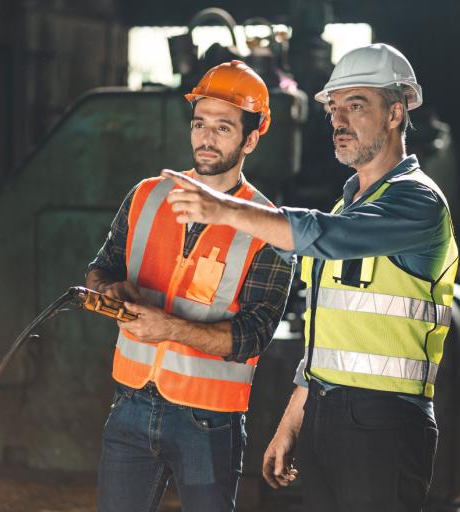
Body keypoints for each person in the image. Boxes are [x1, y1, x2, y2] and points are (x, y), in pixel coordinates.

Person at [161, 43, 459, 512]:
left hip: (386, 421)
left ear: (396, 113)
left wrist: (225, 209)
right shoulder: (346, 206)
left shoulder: (418, 202)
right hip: (326, 414)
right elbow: (329, 336)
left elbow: (328, 236)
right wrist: (293, 422)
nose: (339, 121)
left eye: (356, 106)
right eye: (334, 109)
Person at [85, 60, 294, 512]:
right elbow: (100, 267)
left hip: (208, 422)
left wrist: (169, 328)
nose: (206, 137)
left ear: (251, 139)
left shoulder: (270, 228)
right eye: (200, 123)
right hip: (130, 405)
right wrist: (109, 291)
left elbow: (252, 336)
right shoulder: (146, 195)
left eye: (223, 127)